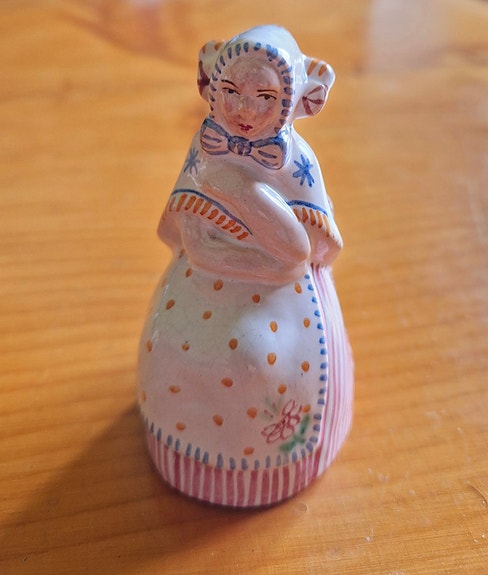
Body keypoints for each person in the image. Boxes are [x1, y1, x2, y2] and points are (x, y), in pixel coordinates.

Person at [138, 25, 354, 507]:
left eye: (265, 97)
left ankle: (282, 462)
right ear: (212, 89)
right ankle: (182, 450)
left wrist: (241, 195)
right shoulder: (206, 147)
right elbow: (188, 231)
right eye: (232, 92)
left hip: (283, 302)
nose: (245, 110)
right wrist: (230, 250)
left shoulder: (296, 164)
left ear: (292, 101)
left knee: (258, 360)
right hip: (200, 284)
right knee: (170, 342)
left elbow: (304, 251)